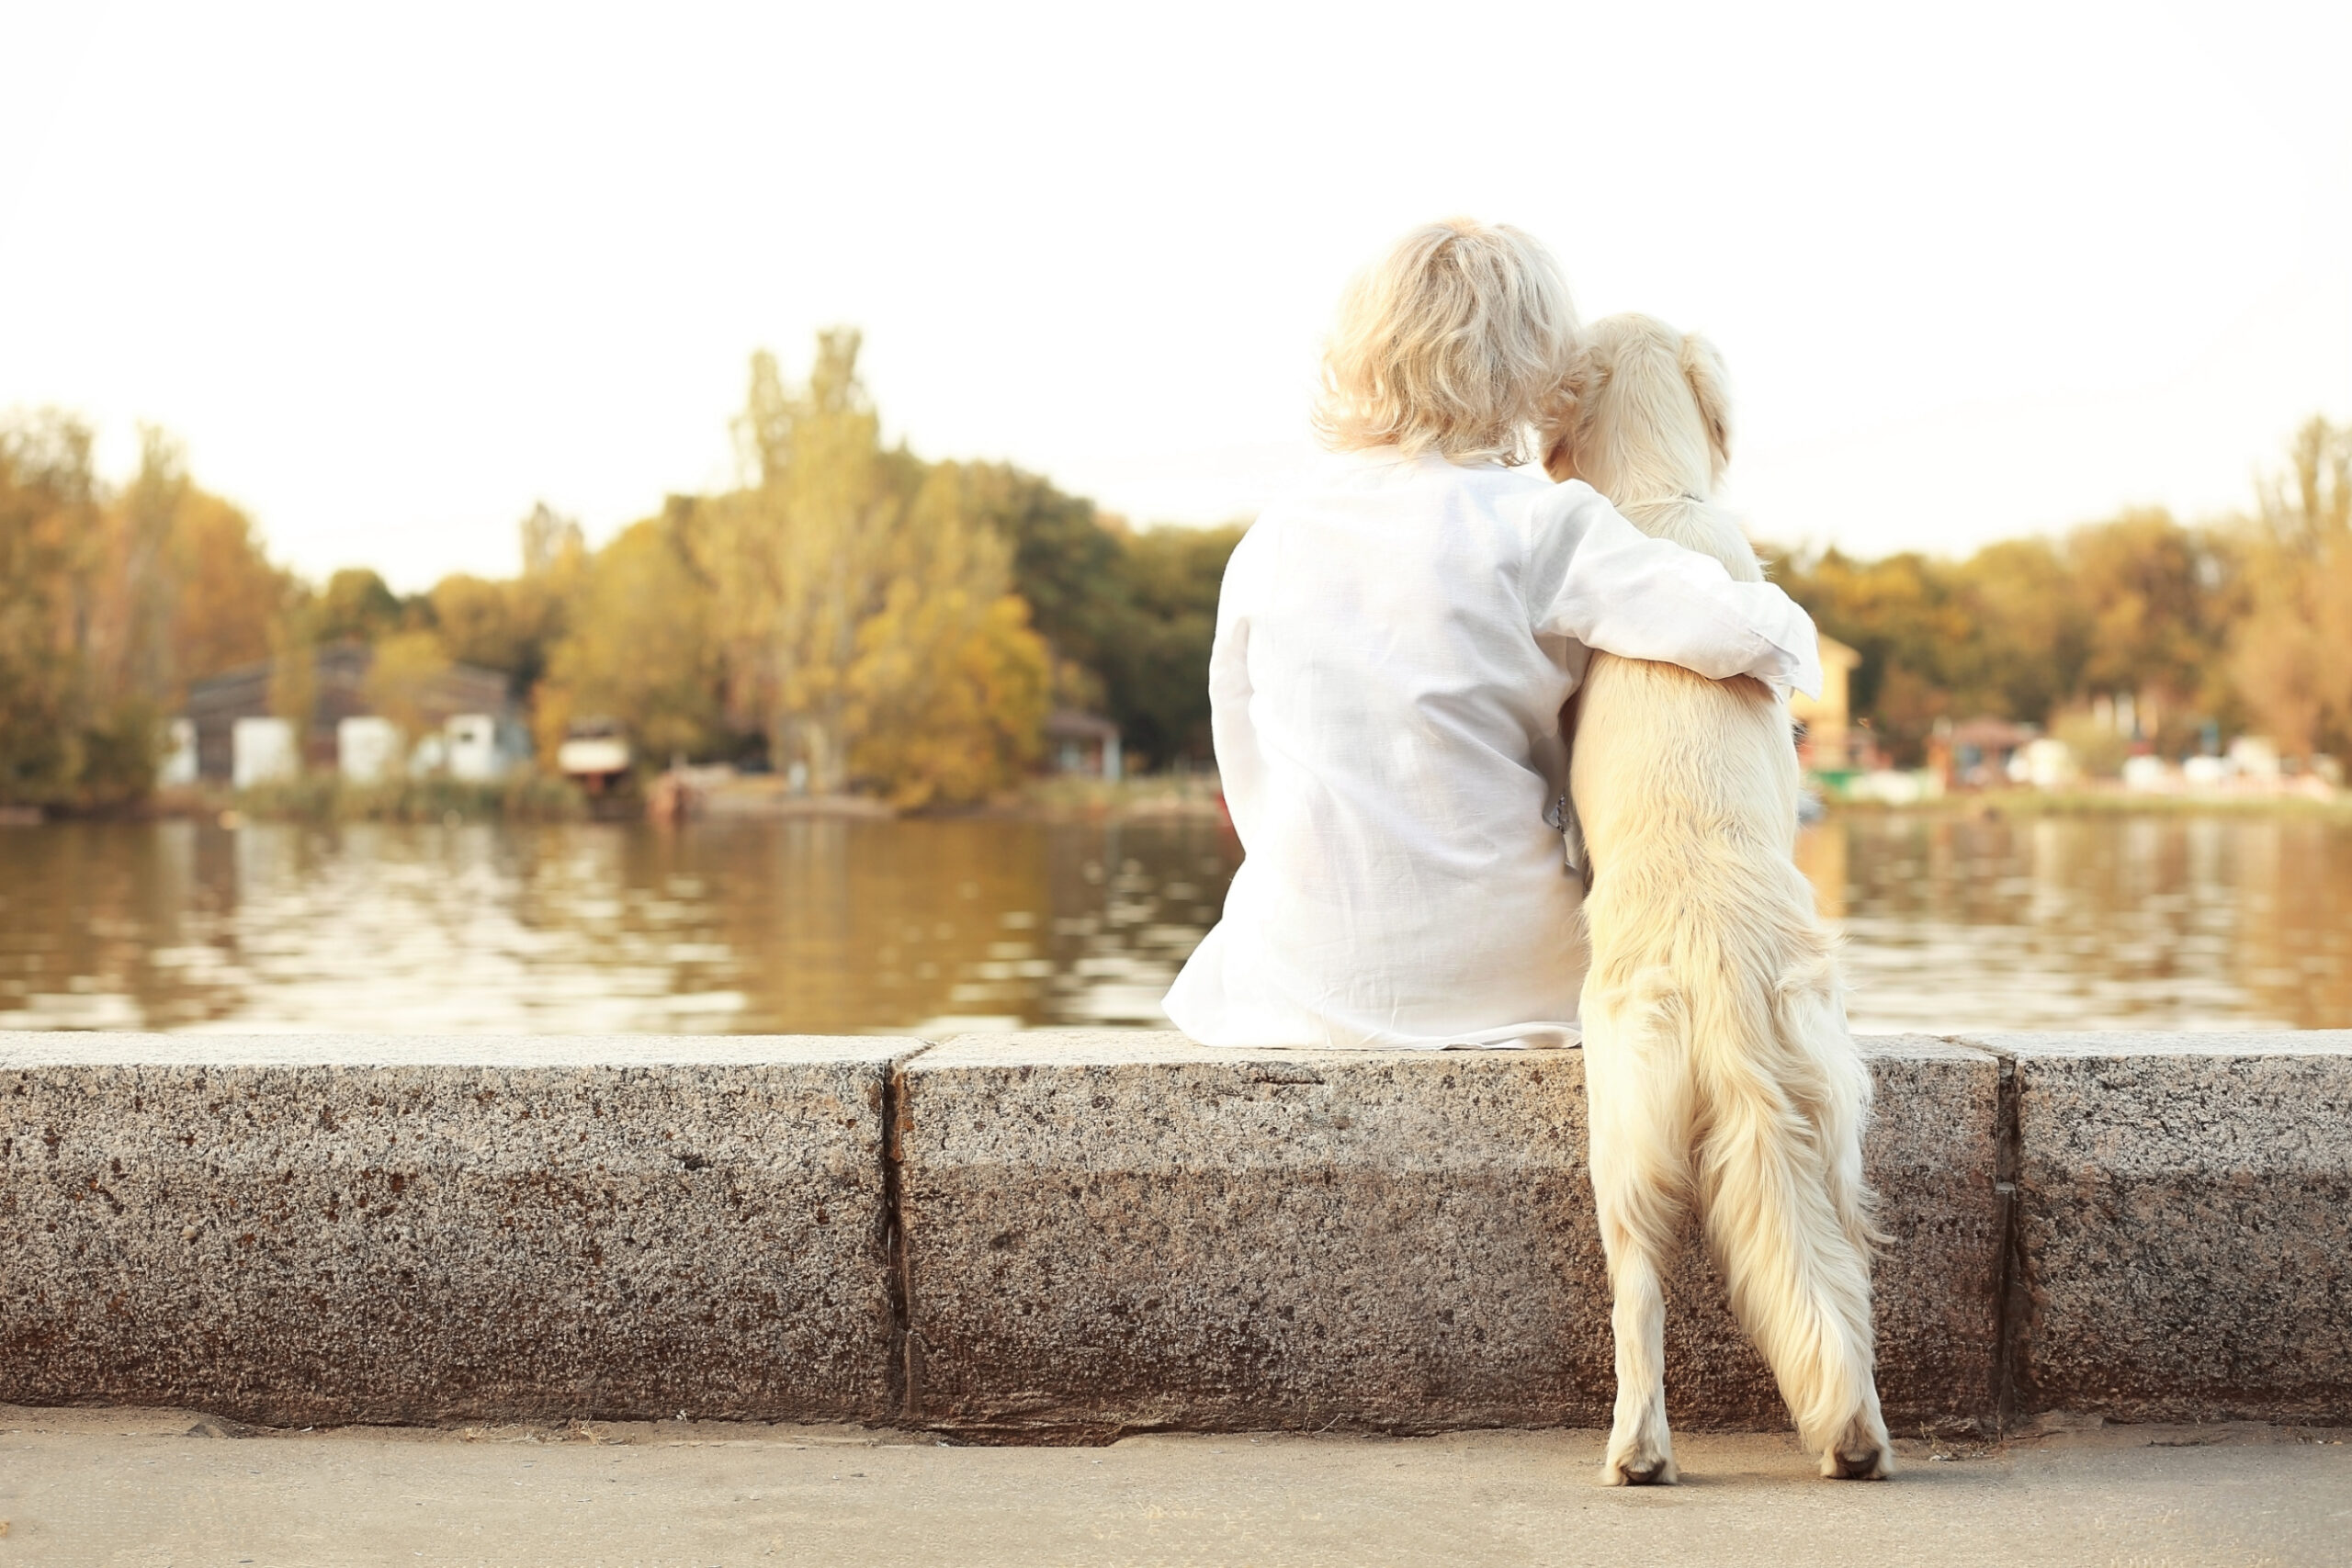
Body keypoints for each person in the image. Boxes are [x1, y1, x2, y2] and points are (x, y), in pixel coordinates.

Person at [1161, 219, 1822, 1050]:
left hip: (1295, 976)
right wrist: (1797, 635)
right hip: (1509, 981)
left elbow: (1248, 758)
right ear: (1538, 371)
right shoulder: (1538, 522)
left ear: (1357, 352)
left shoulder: (1272, 537)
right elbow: (1729, 627)